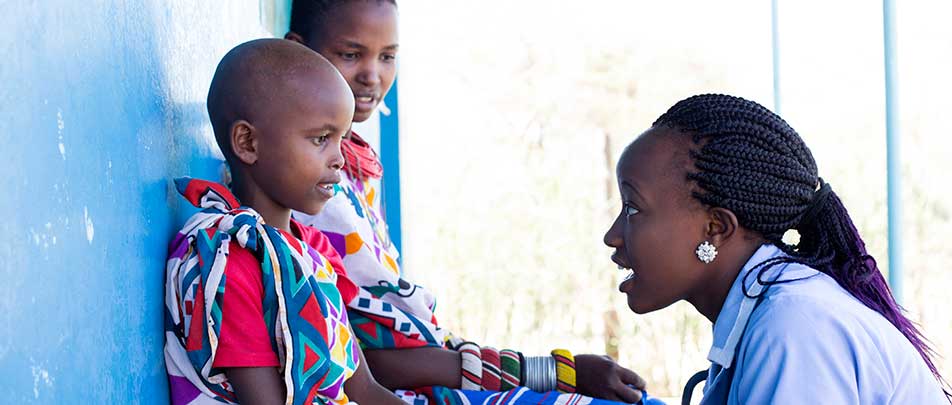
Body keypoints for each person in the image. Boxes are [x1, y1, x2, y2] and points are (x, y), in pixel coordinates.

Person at [284, 1, 657, 404]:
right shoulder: (303, 188)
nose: (372, 76)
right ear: (297, 52)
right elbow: (367, 356)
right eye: (351, 54)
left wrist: (554, 372)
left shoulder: (356, 168)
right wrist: (554, 373)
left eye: (388, 56)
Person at [603, 93, 952, 404]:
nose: (613, 235)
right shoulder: (773, 311)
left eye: (633, 208)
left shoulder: (793, 327)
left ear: (715, 229)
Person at [163, 38, 405, 405]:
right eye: (321, 139)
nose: (339, 159)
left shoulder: (313, 251)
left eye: (341, 139)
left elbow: (366, 390)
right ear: (247, 143)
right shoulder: (234, 263)